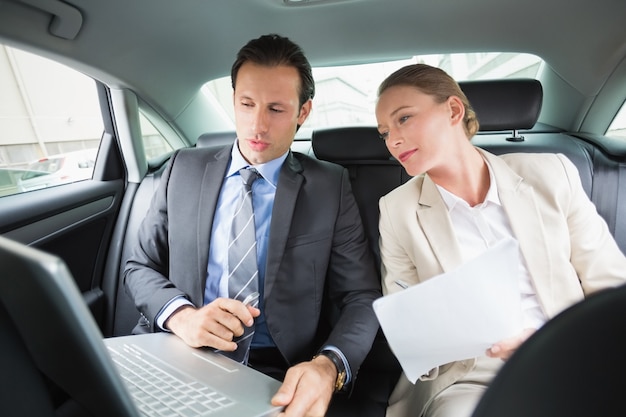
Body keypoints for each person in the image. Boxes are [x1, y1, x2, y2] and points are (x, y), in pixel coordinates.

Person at [124, 34, 382, 417]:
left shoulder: (330, 186)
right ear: (233, 101)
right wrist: (183, 317)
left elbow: (360, 296)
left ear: (303, 111)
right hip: (178, 349)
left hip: (276, 369)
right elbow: (138, 266)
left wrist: (328, 366)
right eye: (247, 105)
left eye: (276, 109)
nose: (258, 125)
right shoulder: (183, 169)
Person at [374, 63, 626, 417]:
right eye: (383, 132)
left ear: (453, 110)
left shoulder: (552, 173)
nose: (392, 140)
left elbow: (611, 284)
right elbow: (406, 318)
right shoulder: (398, 209)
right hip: (466, 376)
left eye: (403, 119)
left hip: (571, 352)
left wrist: (557, 345)